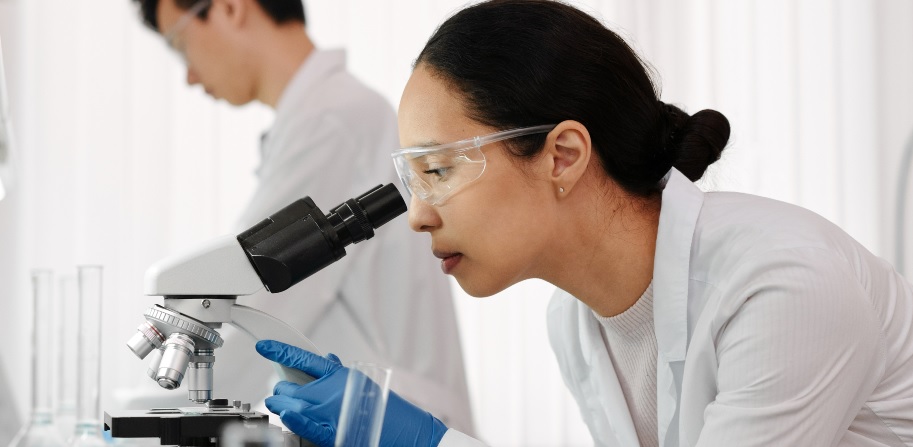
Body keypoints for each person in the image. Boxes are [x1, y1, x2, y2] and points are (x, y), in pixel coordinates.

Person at [254, 0, 913, 446]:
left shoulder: (783, 285)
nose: (418, 215)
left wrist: (430, 441)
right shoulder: (575, 321)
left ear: (562, 156)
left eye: (438, 170)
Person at [126, 0, 474, 434]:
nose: (189, 75)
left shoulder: (333, 122)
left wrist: (125, 423)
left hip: (395, 420)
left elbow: (253, 295)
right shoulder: (321, 118)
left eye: (180, 45)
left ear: (230, 8)